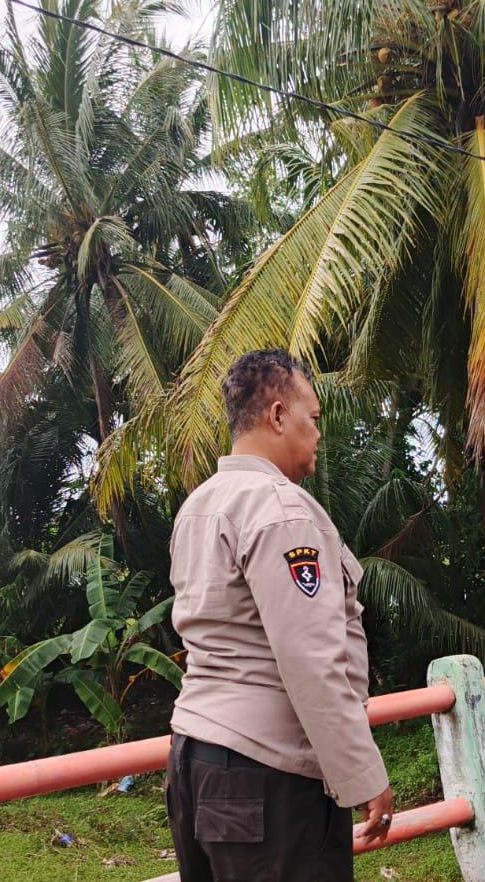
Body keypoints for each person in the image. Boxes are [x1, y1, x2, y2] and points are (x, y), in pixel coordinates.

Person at [165, 349, 394, 880]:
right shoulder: (281, 510)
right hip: (269, 772)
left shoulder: (199, 506)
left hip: (194, 761)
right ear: (277, 415)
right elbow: (311, 660)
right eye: (312, 418)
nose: (318, 434)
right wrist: (362, 774)